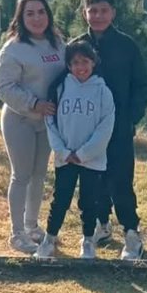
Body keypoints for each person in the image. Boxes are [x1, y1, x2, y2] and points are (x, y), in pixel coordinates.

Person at [71, 0, 147, 260]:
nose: (98, 16)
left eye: (104, 10)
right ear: (85, 13)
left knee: (120, 180)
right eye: (92, 11)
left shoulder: (127, 46)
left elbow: (141, 86)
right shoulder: (78, 46)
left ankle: (131, 233)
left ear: (113, 13)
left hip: (118, 127)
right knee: (92, 180)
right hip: (85, 129)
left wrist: (131, 118)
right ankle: (100, 225)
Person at [0, 0, 66, 253]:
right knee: (21, 175)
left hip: (47, 122)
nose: (37, 18)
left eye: (41, 12)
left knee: (39, 175)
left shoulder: (57, 44)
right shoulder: (14, 49)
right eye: (30, 13)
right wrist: (33, 104)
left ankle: (32, 226)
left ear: (48, 14)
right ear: (21, 18)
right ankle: (16, 234)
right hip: (20, 120)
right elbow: (4, 87)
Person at [36, 41, 114, 260]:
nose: (81, 67)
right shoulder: (59, 89)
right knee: (60, 199)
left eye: (85, 62)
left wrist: (84, 153)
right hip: (65, 158)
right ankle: (49, 240)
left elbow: (105, 127)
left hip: (92, 160)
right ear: (69, 66)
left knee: (89, 201)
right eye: (76, 62)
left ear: (93, 62)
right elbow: (50, 122)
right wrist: (62, 151)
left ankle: (88, 240)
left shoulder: (103, 92)